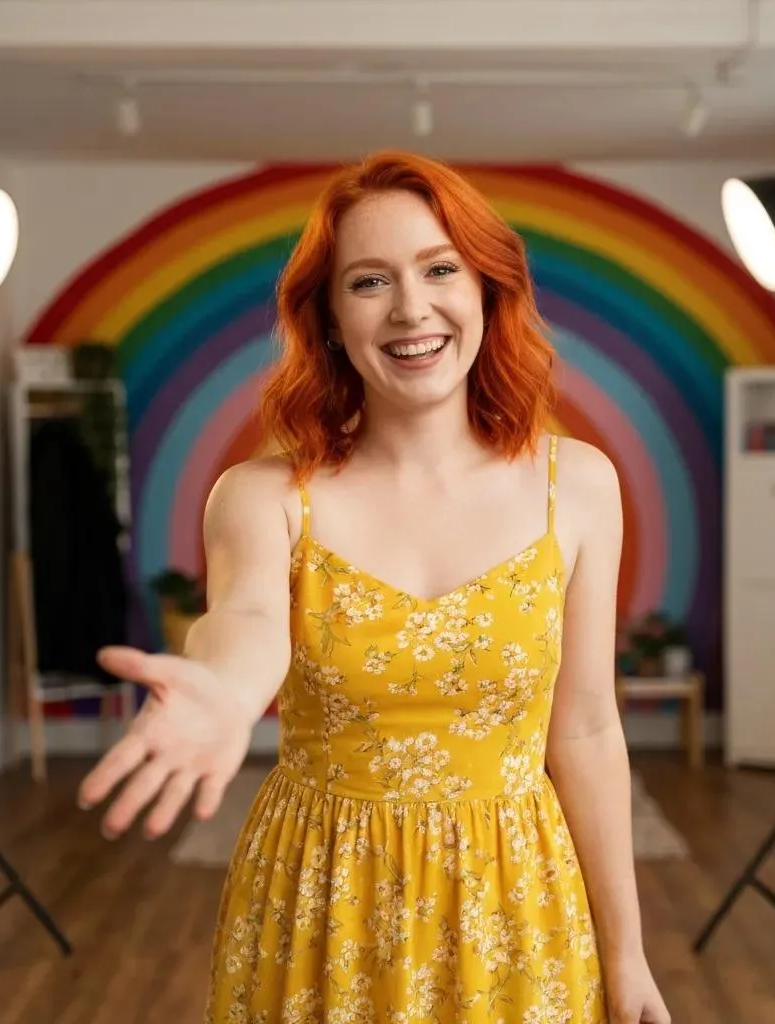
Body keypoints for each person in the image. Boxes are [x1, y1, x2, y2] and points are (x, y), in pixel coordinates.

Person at [77, 150, 670, 1024]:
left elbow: (582, 727)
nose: (411, 308)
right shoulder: (263, 496)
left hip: (517, 902)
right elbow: (244, 624)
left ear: (486, 290)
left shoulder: (577, 485)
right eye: (369, 282)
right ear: (327, 319)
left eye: (440, 269)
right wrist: (220, 693)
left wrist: (628, 957)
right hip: (322, 902)